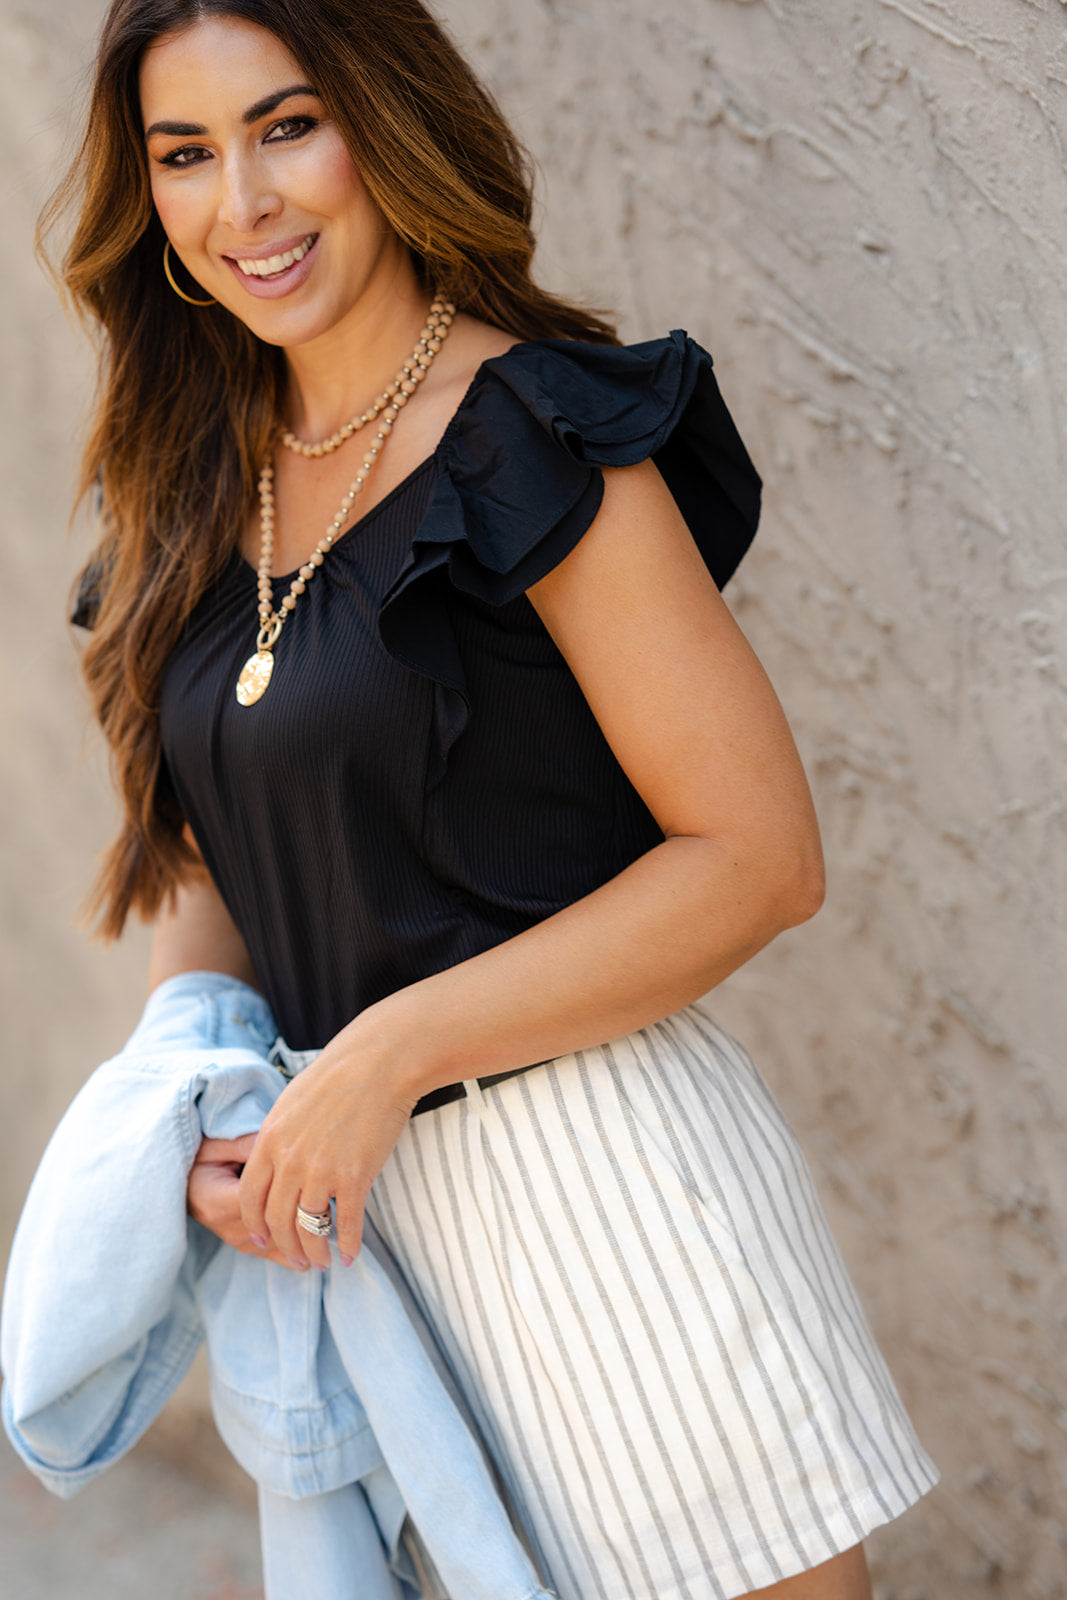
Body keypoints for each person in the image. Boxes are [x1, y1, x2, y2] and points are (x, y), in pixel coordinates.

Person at [41, 0, 938, 1594]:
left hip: (606, 1192)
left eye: (288, 126)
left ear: (384, 124)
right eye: (185, 153)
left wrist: (386, 1052)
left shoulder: (533, 437)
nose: (243, 202)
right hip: (363, 1235)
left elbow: (757, 859)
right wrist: (196, 1090)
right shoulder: (193, 483)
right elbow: (219, 852)